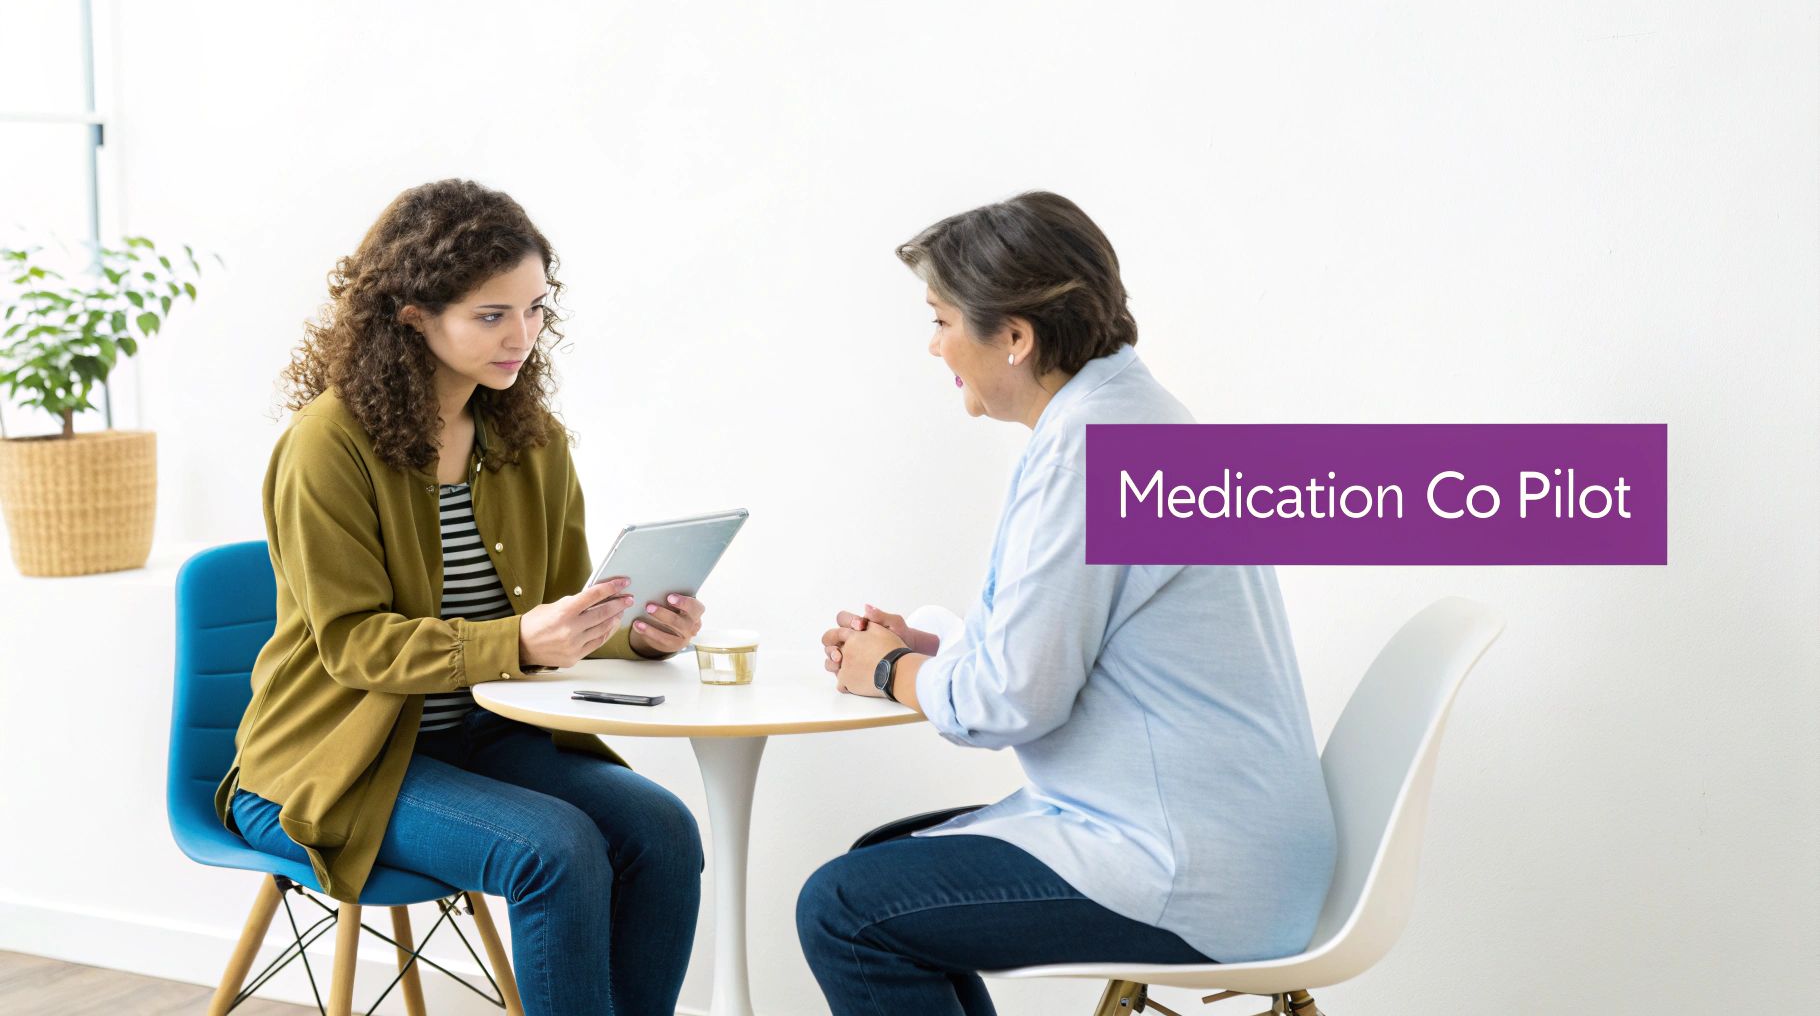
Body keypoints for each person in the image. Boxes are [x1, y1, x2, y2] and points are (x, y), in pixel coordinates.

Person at [801, 191, 1337, 1015]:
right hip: (1242, 848)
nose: (934, 345)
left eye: (942, 320)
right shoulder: (1131, 418)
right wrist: (938, 649)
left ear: (1014, 337)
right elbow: (1064, 643)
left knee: (847, 909)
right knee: (880, 864)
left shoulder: (1085, 456)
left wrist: (890, 671)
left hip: (1187, 866)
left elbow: (1009, 704)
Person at [217, 178, 704, 1015]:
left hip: (487, 734)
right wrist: (516, 642)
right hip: (340, 760)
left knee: (662, 833)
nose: (523, 336)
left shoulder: (529, 438)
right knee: (556, 851)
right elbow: (355, 644)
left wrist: (639, 635)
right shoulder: (326, 446)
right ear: (411, 314)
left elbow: (557, 610)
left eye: (537, 308)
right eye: (492, 315)